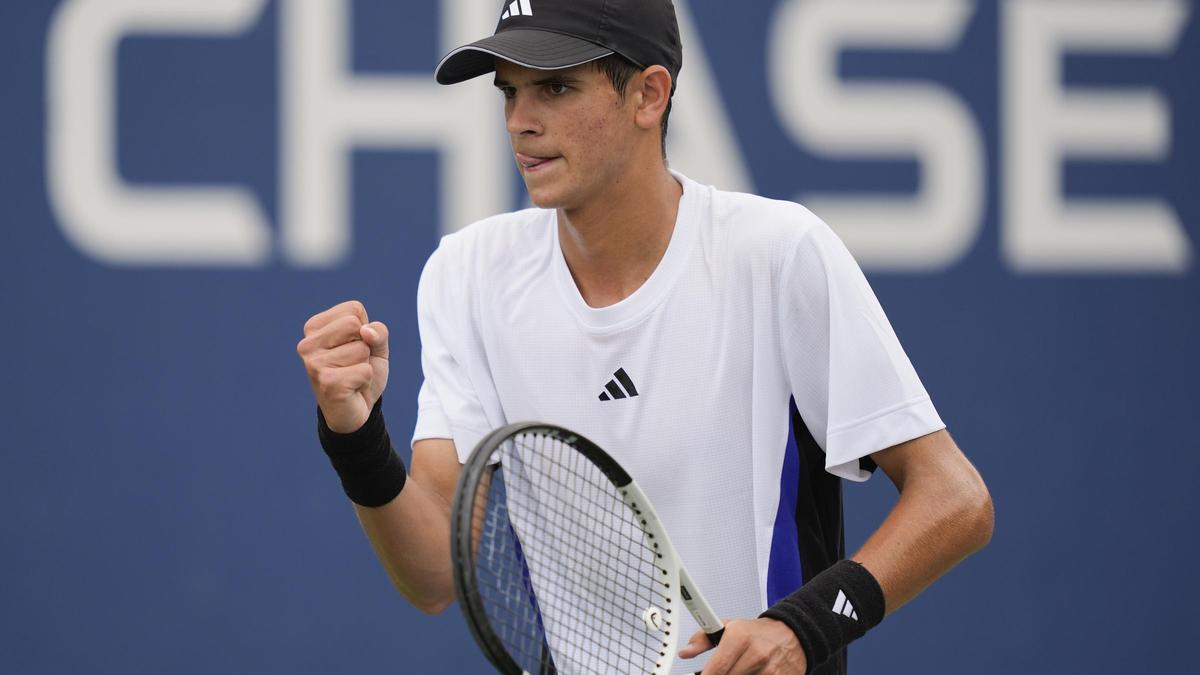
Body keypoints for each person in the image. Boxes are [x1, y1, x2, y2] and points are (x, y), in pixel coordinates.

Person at [296, 0, 993, 672]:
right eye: (509, 93)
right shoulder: (467, 275)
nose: (520, 121)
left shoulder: (778, 254)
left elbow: (955, 498)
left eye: (556, 87)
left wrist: (804, 627)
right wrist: (356, 437)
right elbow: (433, 576)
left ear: (649, 96)